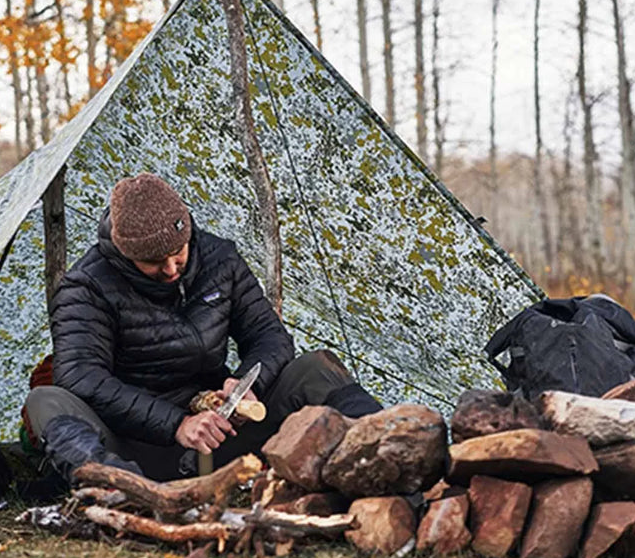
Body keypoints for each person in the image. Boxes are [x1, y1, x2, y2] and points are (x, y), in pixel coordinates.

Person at [25, 173, 382, 483]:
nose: (170, 269)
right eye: (152, 262)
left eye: (177, 252)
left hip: (219, 438)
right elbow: (80, 377)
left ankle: (391, 448)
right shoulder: (86, 286)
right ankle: (116, 490)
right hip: (134, 451)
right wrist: (175, 424)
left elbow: (268, 335)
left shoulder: (219, 259)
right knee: (46, 401)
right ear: (123, 252)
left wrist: (246, 386)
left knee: (317, 369)